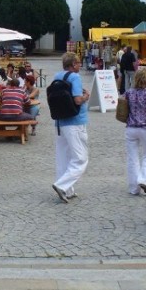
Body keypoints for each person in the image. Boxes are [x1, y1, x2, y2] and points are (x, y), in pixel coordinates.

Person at [52, 52, 90, 203]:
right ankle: (62, 185)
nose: (80, 65)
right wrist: (86, 95)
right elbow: (78, 100)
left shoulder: (57, 76)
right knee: (81, 158)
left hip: (60, 122)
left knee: (63, 158)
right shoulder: (75, 77)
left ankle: (68, 190)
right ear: (73, 64)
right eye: (79, 63)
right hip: (75, 122)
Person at [124, 68, 146, 196]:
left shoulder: (129, 93)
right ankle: (144, 180)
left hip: (131, 128)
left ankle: (134, 188)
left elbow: (122, 105)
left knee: (132, 158)